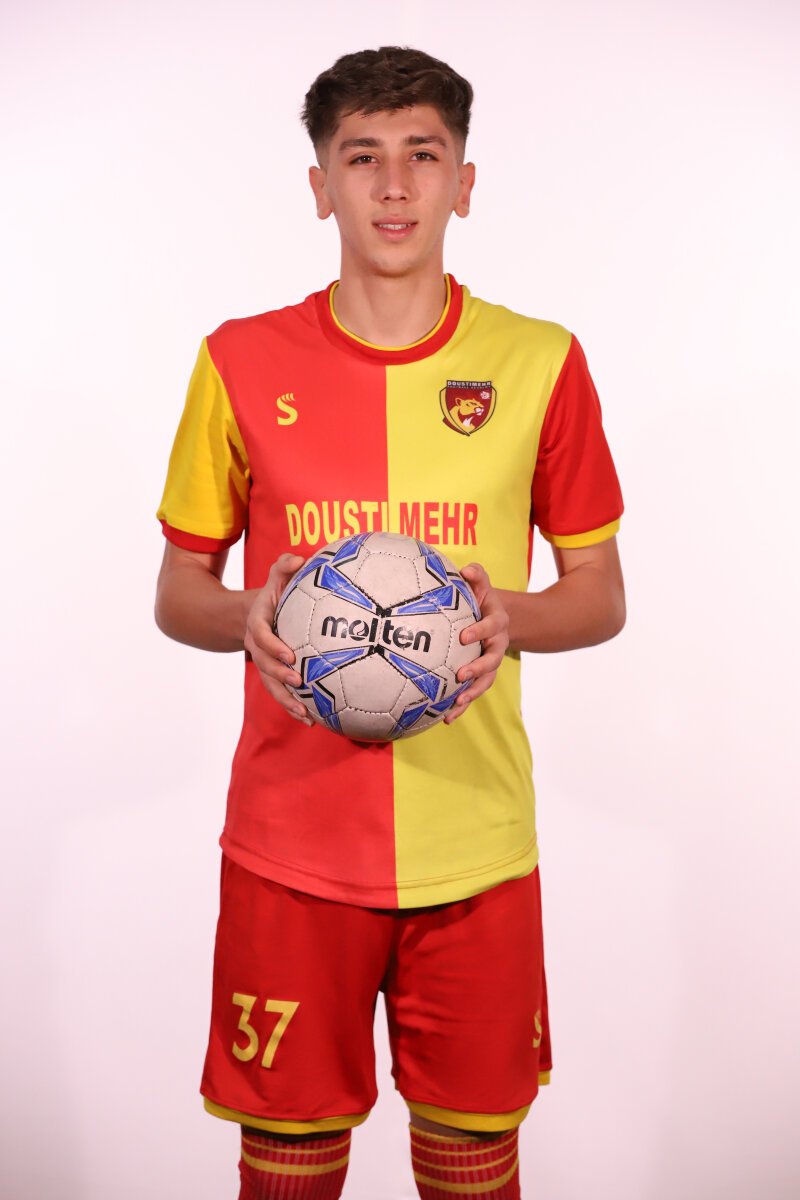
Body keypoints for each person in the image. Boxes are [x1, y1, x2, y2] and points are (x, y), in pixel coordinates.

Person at [155, 45, 625, 1200]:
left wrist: (508, 617)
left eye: (422, 154)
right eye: (361, 158)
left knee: (472, 1159)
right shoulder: (238, 360)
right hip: (290, 846)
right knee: (288, 1161)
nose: (395, 185)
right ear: (319, 185)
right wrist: (248, 613)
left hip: (474, 838)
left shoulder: (538, 362)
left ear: (465, 180)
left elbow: (598, 594)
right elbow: (177, 593)